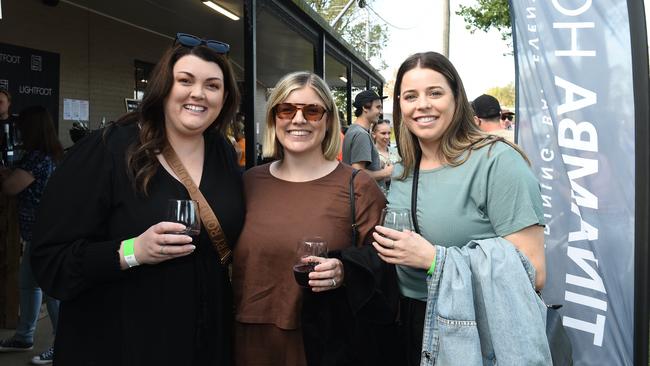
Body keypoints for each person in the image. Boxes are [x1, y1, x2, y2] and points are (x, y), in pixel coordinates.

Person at [29, 33, 244, 366]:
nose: (198, 93)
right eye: (185, 80)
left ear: (225, 96)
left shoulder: (223, 154)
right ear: (163, 87)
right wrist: (133, 251)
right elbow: (50, 260)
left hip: (205, 341)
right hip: (121, 342)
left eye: (212, 85)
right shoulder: (107, 150)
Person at [372, 52, 547, 365]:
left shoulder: (498, 162)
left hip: (474, 329)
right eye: (410, 96)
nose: (422, 104)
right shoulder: (402, 171)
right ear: (400, 105)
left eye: (435, 93)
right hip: (406, 325)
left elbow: (533, 271)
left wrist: (433, 260)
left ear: (457, 98)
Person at [232, 71, 397, 366]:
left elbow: (385, 262)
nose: (298, 120)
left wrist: (345, 270)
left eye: (312, 111)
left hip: (323, 344)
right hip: (248, 343)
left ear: (329, 120)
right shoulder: (249, 182)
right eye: (286, 109)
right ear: (273, 118)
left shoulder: (358, 186)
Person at [0, 106, 63, 365]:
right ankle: (25, 336)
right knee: (29, 283)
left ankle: (64, 344)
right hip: (40, 233)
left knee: (51, 291)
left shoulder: (39, 157)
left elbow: (11, 187)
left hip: (45, 235)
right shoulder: (48, 154)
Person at [342, 90, 393, 183]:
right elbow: (358, 174)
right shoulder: (361, 134)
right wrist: (385, 172)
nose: (381, 112)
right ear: (365, 107)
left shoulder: (353, 130)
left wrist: (376, 165)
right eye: (378, 107)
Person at [371, 119, 400, 192]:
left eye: (389, 133)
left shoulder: (396, 152)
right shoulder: (370, 154)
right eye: (383, 133)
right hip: (378, 196)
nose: (387, 136)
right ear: (374, 134)